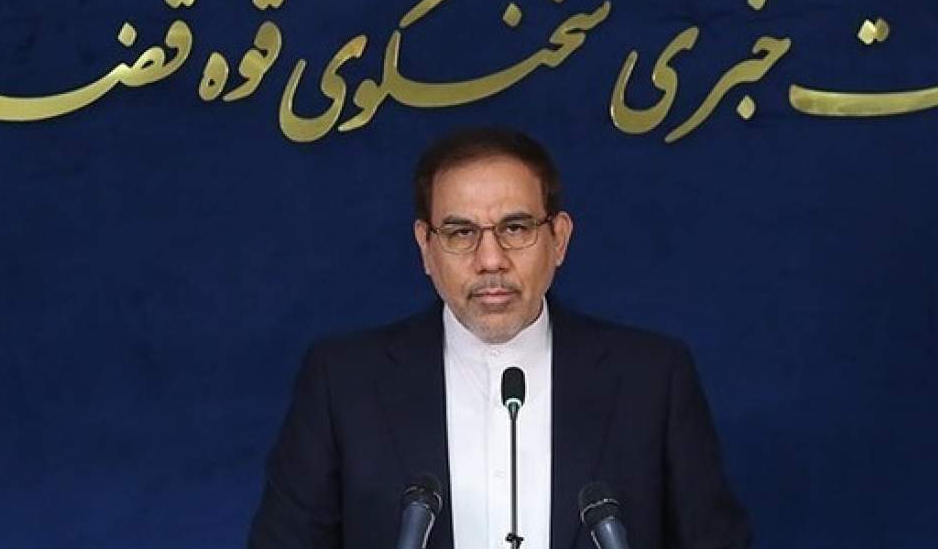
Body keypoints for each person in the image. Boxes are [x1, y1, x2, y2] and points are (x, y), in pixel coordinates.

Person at [248, 128, 751, 549]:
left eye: (515, 228)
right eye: (461, 233)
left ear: (559, 239)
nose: (490, 260)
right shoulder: (343, 382)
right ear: (426, 248)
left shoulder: (652, 378)